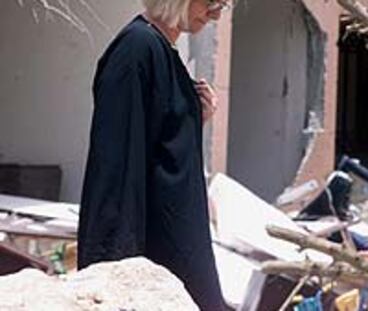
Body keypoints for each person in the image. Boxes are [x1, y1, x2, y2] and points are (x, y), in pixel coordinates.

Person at [77, 0, 232, 310]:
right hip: (154, 252)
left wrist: (193, 117)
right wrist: (114, 269)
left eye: (223, 4)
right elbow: (116, 165)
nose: (216, 13)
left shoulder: (161, 49)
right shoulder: (136, 49)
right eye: (211, 1)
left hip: (177, 245)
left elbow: (162, 141)